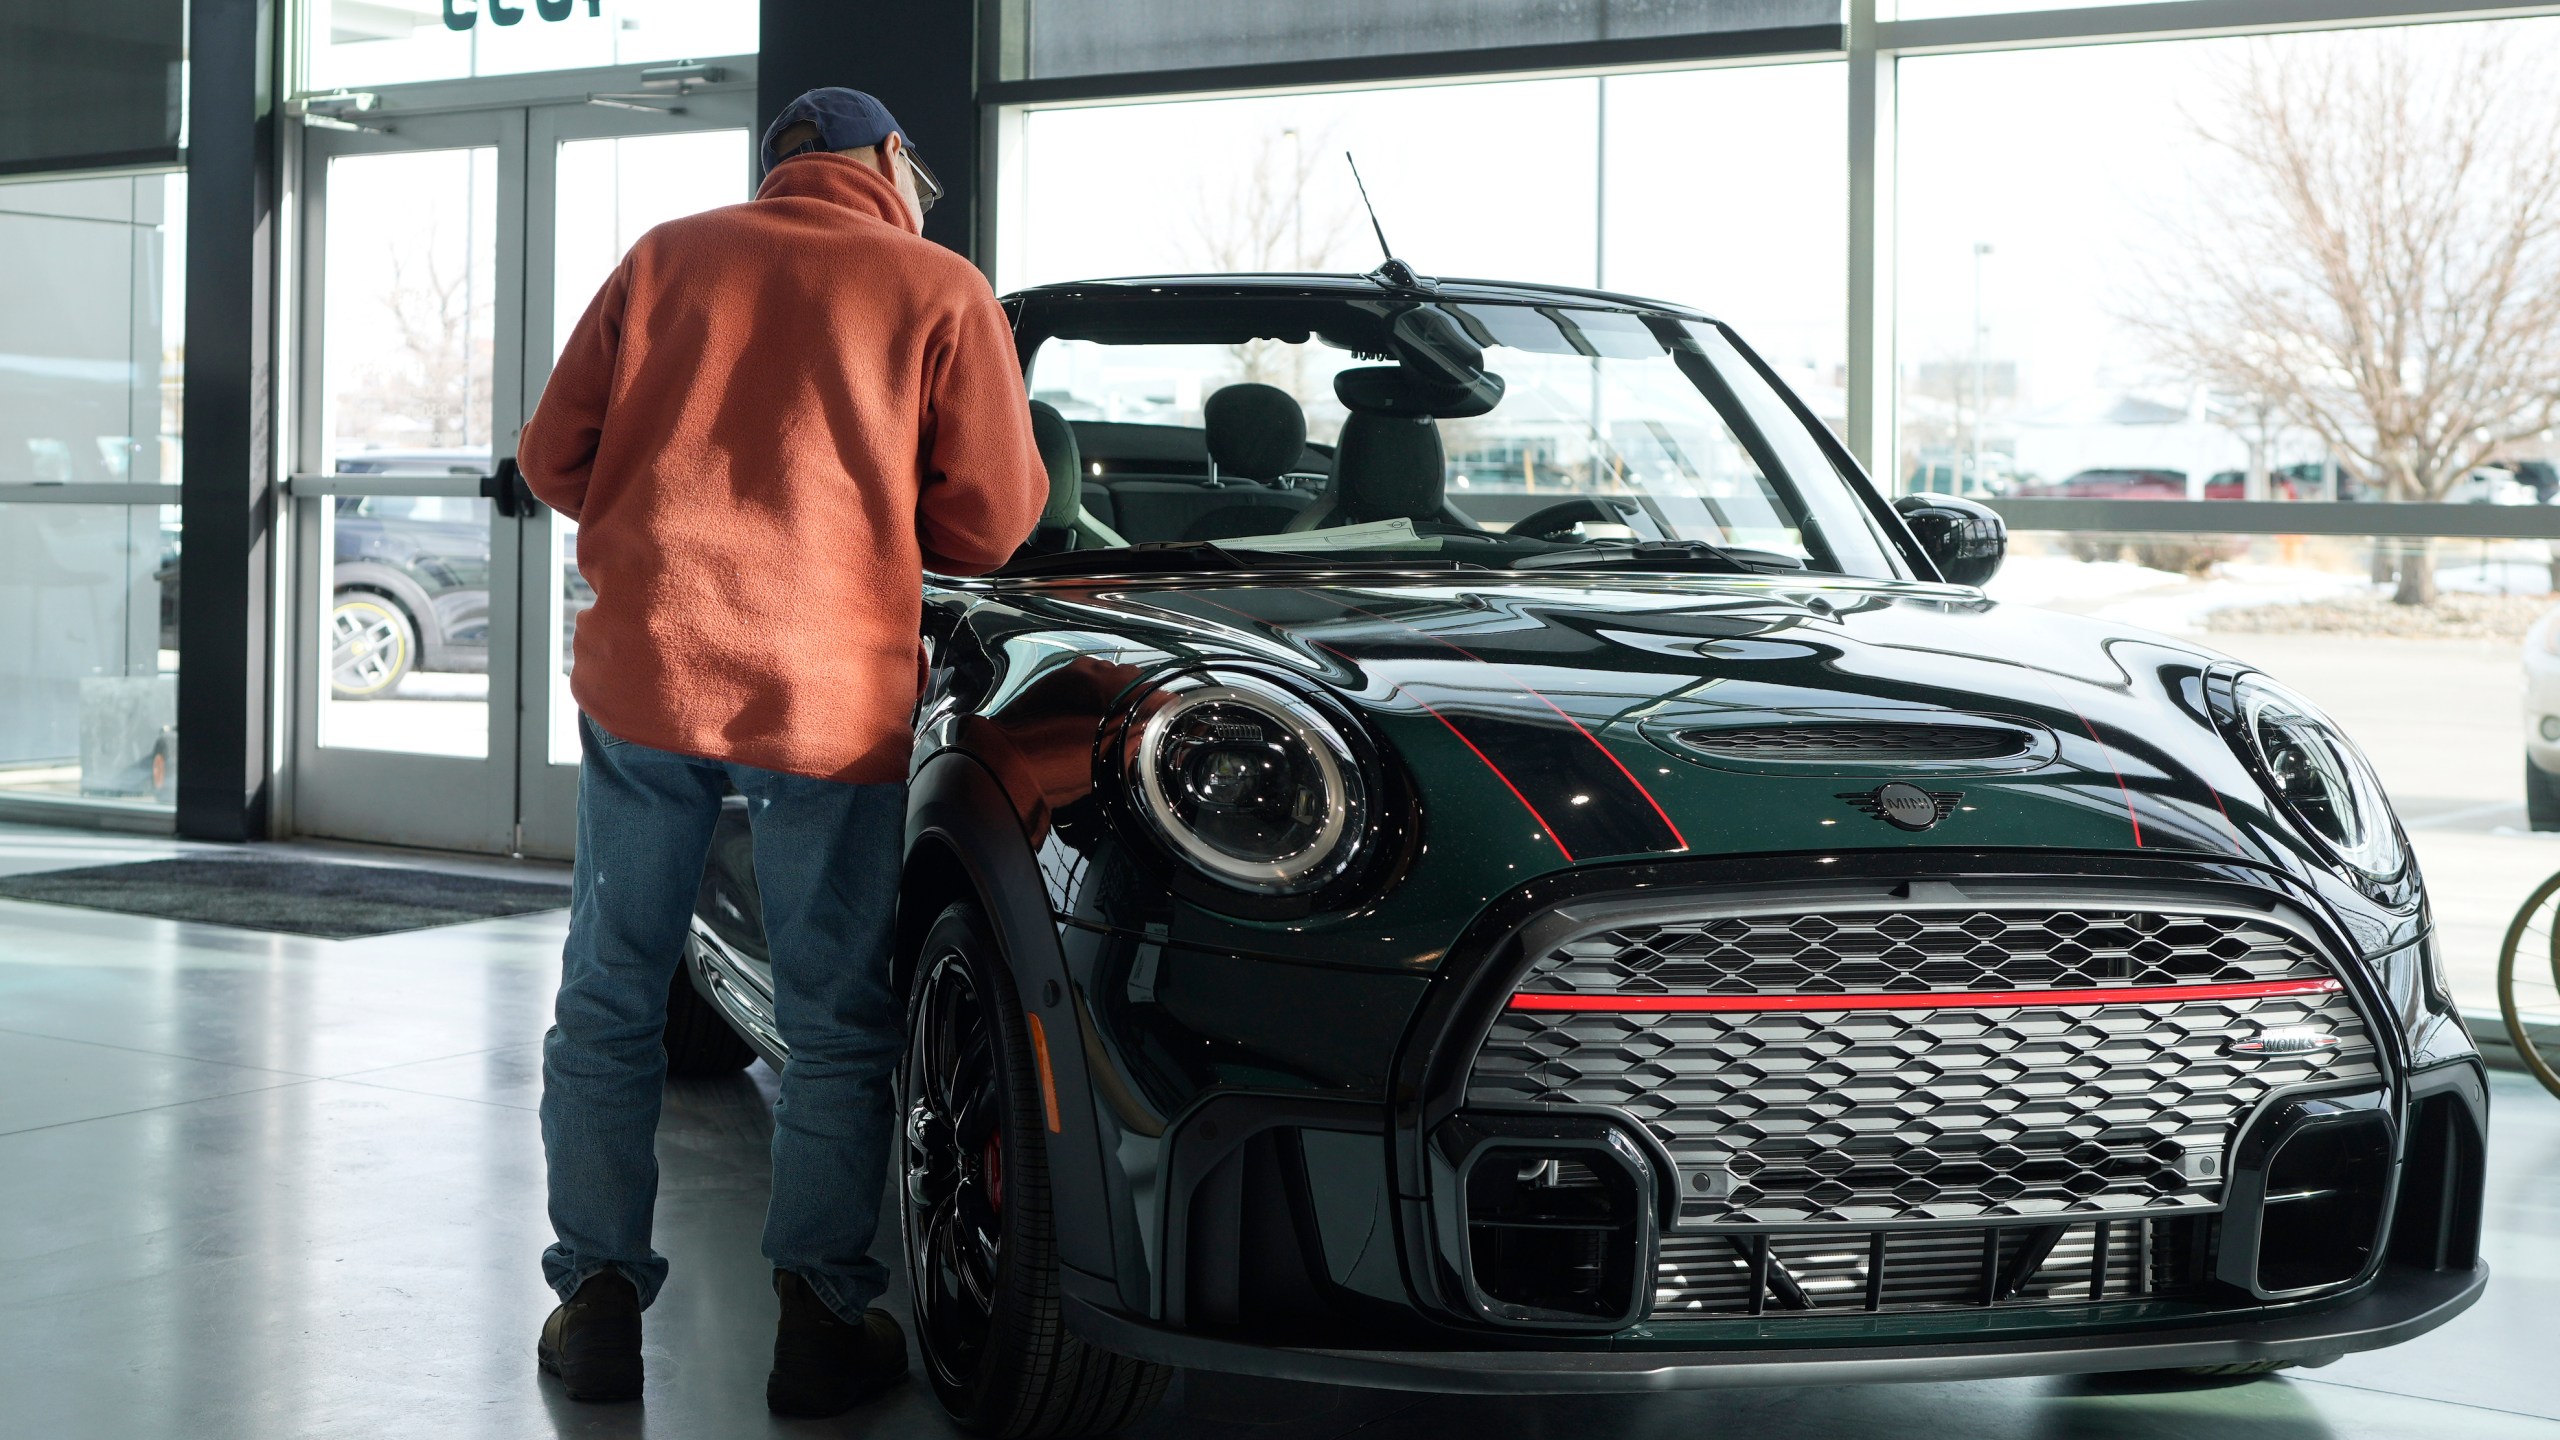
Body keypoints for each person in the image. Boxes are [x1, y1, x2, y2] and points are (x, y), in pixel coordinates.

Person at [515, 87, 1045, 1416]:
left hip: (652, 673)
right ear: (886, 161)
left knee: (613, 990)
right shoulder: (937, 287)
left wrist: (662, 500)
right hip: (828, 691)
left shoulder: (665, 258)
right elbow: (989, 526)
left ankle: (593, 1303)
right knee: (832, 1014)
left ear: (776, 169)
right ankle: (820, 1312)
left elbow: (550, 457)